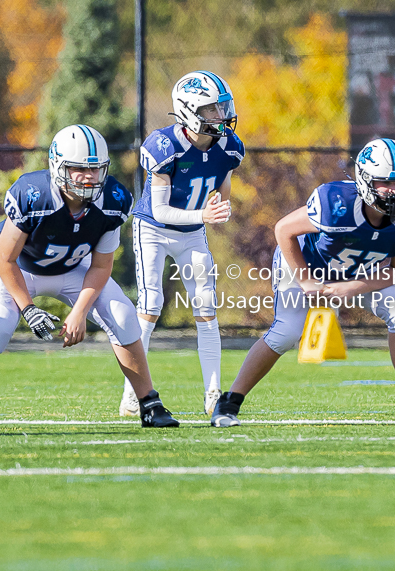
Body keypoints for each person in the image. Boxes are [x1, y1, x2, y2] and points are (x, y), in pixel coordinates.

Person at [0, 125, 178, 429]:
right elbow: (4, 257)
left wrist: (78, 313)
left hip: (72, 269)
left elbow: (101, 266)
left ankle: (150, 404)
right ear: (58, 165)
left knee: (122, 312)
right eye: (79, 168)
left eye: (95, 169)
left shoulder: (114, 199)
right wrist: (27, 308)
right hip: (20, 267)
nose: (89, 177)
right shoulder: (34, 195)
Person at [209, 138, 395, 427]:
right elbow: (284, 230)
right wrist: (307, 281)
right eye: (386, 182)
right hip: (303, 262)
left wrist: (351, 288)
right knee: (287, 332)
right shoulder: (335, 205)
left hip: (357, 273)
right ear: (364, 180)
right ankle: (229, 402)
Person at [119, 71, 244, 417]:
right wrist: (203, 216)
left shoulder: (229, 147)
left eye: (223, 107)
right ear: (190, 111)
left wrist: (221, 206)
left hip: (191, 232)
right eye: (212, 110)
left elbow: (223, 190)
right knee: (152, 302)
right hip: (154, 229)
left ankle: (213, 393)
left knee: (206, 305)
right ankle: (133, 392)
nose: (222, 116)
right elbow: (159, 209)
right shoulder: (164, 146)